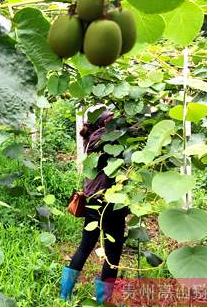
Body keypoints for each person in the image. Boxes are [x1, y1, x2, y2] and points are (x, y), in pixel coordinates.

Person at [60, 108, 128, 305]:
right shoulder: (105, 139)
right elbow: (133, 132)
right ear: (105, 123)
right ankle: (103, 300)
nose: (117, 122)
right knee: (113, 251)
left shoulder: (92, 137)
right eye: (112, 119)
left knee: (86, 244)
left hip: (92, 199)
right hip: (109, 200)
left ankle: (65, 296)